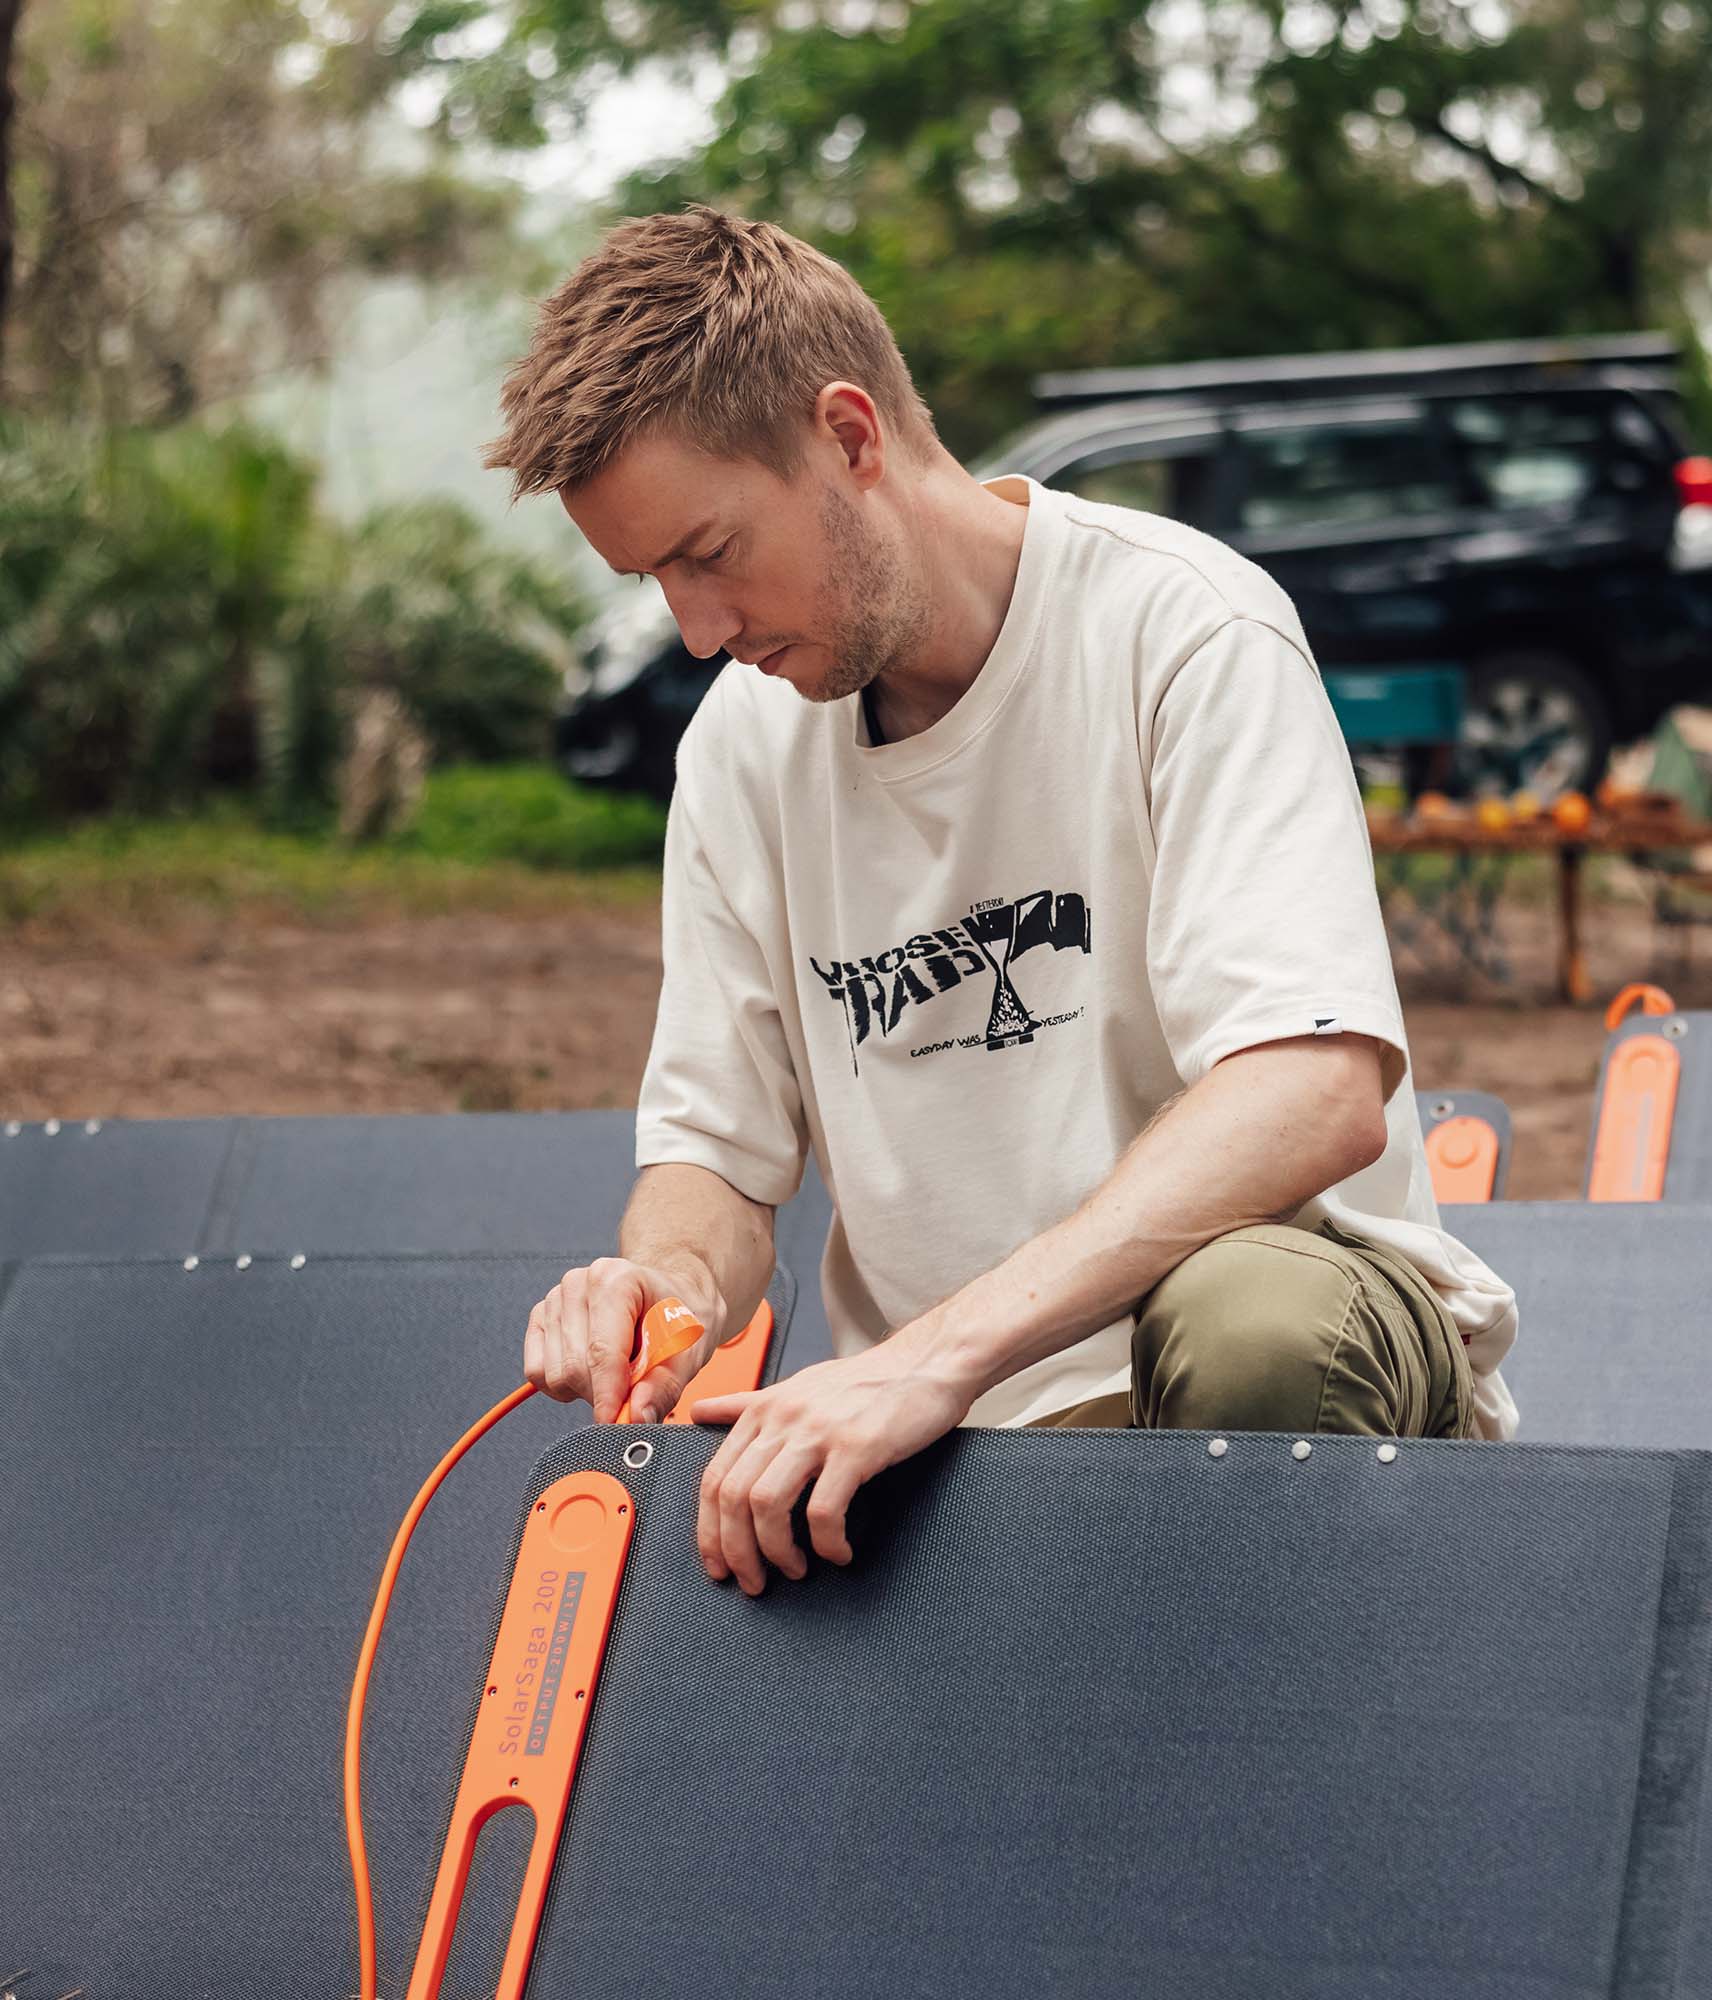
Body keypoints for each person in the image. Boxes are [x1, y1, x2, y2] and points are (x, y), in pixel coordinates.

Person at [490, 206, 1518, 1597]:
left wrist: (930, 1357)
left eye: (711, 550)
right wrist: (662, 1292)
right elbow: (717, 1165)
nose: (696, 629)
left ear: (850, 437)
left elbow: (1311, 1086)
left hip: (1284, 1359)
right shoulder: (740, 744)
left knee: (1250, 1321)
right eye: (654, 580)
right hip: (935, 1428)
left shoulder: (1184, 632)